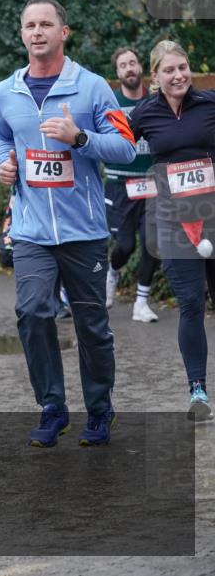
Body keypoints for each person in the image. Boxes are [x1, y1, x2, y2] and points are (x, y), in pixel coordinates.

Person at [0, 0, 137, 448]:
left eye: (46, 24)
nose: (37, 32)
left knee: (92, 327)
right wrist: (5, 164)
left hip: (85, 233)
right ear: (22, 34)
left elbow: (127, 148)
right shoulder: (7, 91)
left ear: (63, 32)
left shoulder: (92, 87)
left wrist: (80, 137)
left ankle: (99, 409)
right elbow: (1, 136)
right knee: (33, 313)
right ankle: (52, 407)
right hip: (31, 231)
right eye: (30, 25)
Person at [129, 40, 215, 421]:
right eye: (169, 70)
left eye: (183, 67)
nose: (178, 75)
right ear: (156, 76)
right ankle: (197, 390)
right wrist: (78, 140)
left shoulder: (210, 104)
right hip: (173, 220)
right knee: (192, 304)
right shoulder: (144, 113)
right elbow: (113, 145)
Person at [103, 47, 161, 322]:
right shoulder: (111, 104)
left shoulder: (156, 102)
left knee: (152, 244)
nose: (129, 68)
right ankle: (113, 272)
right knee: (124, 246)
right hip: (121, 184)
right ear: (118, 74)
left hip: (152, 184)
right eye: (123, 65)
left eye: (132, 63)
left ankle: (141, 302)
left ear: (140, 68)